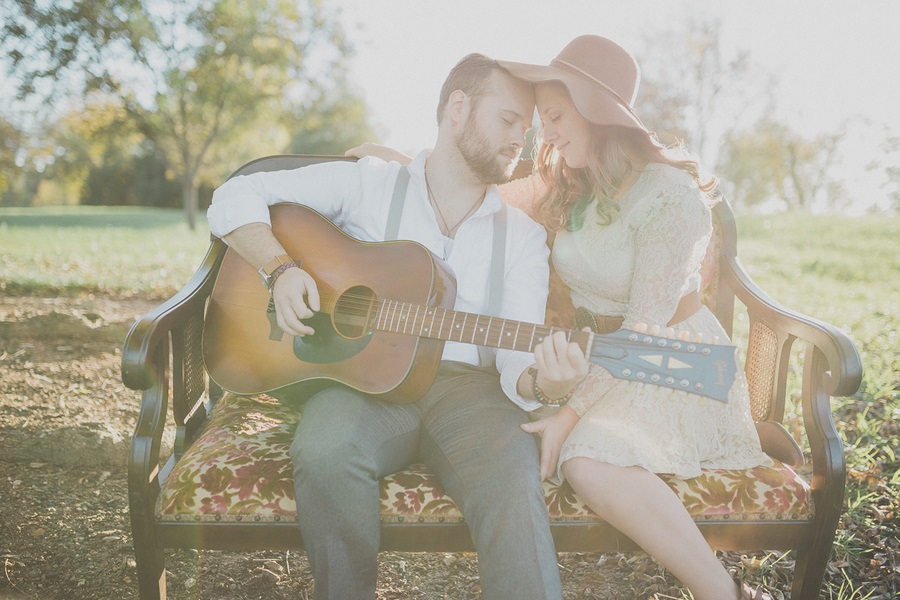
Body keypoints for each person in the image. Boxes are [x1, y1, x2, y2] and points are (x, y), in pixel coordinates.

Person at [348, 35, 774, 600]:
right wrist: (396, 162)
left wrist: (568, 413)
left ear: (597, 112)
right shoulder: (568, 181)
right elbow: (468, 180)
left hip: (673, 359)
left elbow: (644, 331)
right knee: (553, 442)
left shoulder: (670, 198)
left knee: (586, 460)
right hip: (598, 354)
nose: (542, 134)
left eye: (552, 116)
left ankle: (725, 594)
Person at [207, 54, 564, 599]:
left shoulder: (523, 237)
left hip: (469, 394)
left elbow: (518, 357)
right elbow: (233, 196)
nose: (521, 140)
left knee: (513, 482)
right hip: (361, 383)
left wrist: (545, 383)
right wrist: (281, 270)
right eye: (508, 120)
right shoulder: (369, 184)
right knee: (325, 449)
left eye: (527, 129)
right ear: (458, 110)